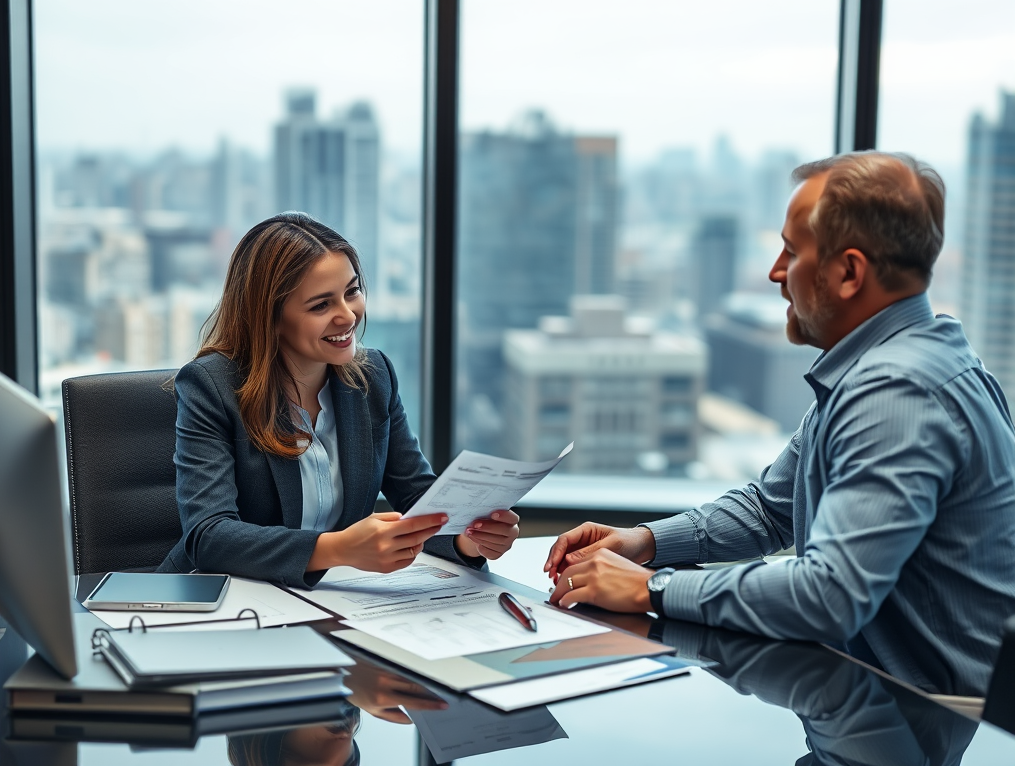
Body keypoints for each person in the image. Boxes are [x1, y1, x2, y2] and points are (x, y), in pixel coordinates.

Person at [544, 151, 1015, 696]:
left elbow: (828, 596)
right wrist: (643, 542)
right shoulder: (891, 363)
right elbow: (771, 509)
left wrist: (652, 589)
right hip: (878, 707)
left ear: (848, 272)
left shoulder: (898, 393)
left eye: (791, 251)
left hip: (926, 721)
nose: (775, 271)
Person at [158, 212, 519, 588]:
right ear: (270, 317)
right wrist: (338, 549)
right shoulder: (211, 386)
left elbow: (417, 498)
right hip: (224, 602)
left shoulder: (373, 376)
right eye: (321, 305)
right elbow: (209, 535)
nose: (347, 316)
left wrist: (470, 539)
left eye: (352, 291)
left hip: (329, 600)